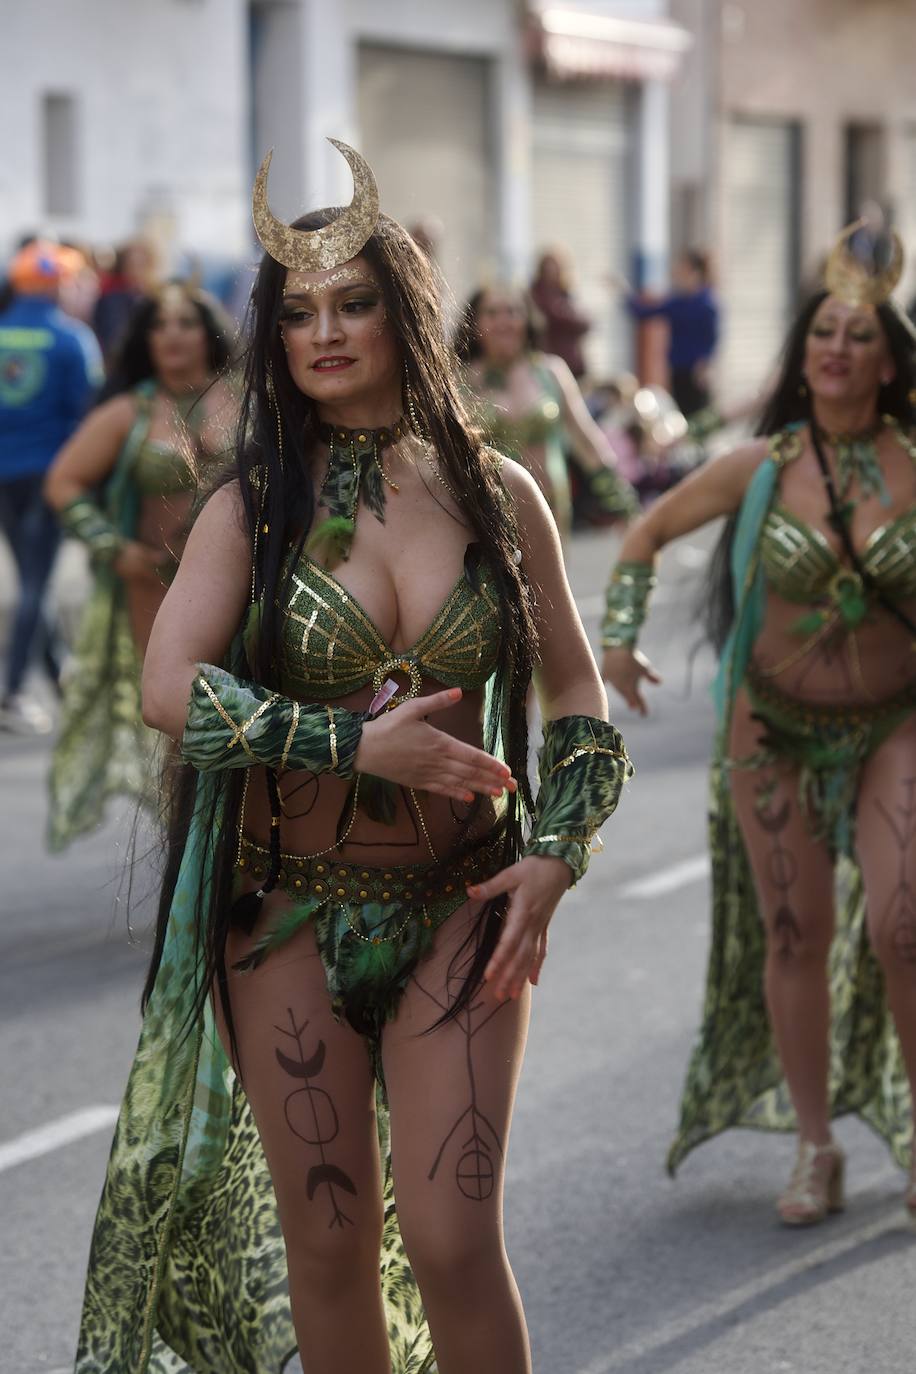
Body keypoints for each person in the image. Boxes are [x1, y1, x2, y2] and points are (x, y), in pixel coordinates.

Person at [72, 140, 632, 1373]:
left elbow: (576, 685)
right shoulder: (251, 508)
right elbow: (169, 689)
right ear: (274, 340)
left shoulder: (499, 496)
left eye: (355, 303)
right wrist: (348, 741)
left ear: (406, 313)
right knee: (324, 1249)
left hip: (461, 907)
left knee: (451, 1237)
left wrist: (558, 852)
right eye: (299, 314)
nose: (326, 333)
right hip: (282, 912)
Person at [601, 223, 916, 1225]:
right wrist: (616, 644)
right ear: (801, 351)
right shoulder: (761, 465)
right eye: (821, 331)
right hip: (769, 728)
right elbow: (643, 533)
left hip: (891, 723)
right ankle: (815, 1151)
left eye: (858, 336)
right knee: (795, 930)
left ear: (887, 358)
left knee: (904, 925)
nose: (836, 348)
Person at [43, 280, 235, 850]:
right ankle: (192, 858)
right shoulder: (128, 412)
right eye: (158, 325)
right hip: (155, 589)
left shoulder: (246, 399)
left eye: (186, 323)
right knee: (186, 728)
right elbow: (63, 483)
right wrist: (111, 547)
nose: (172, 336)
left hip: (249, 587)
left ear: (208, 332)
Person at [0, 240, 103, 734]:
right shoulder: (72, 339)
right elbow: (89, 415)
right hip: (50, 474)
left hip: (5, 475)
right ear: (61, 283)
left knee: (29, 582)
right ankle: (14, 691)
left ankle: (56, 676)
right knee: (36, 585)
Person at [457, 283, 638, 534]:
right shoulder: (459, 381)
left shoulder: (551, 372)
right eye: (492, 313)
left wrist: (618, 497)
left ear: (527, 319)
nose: (503, 322)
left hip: (550, 510)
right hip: (487, 516)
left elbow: (585, 437)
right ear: (475, 323)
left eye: (512, 311)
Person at [623, 249, 719, 418]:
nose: (678, 273)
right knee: (681, 413)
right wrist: (624, 293)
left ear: (695, 272)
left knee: (698, 413)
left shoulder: (706, 304)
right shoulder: (678, 302)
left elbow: (712, 338)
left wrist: (705, 363)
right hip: (677, 367)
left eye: (683, 268)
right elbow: (644, 313)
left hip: (695, 372)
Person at [529, 247, 591, 380]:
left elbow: (584, 321)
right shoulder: (538, 294)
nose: (552, 271)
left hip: (572, 361)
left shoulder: (565, 293)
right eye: (548, 267)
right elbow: (560, 317)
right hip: (550, 357)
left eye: (555, 267)